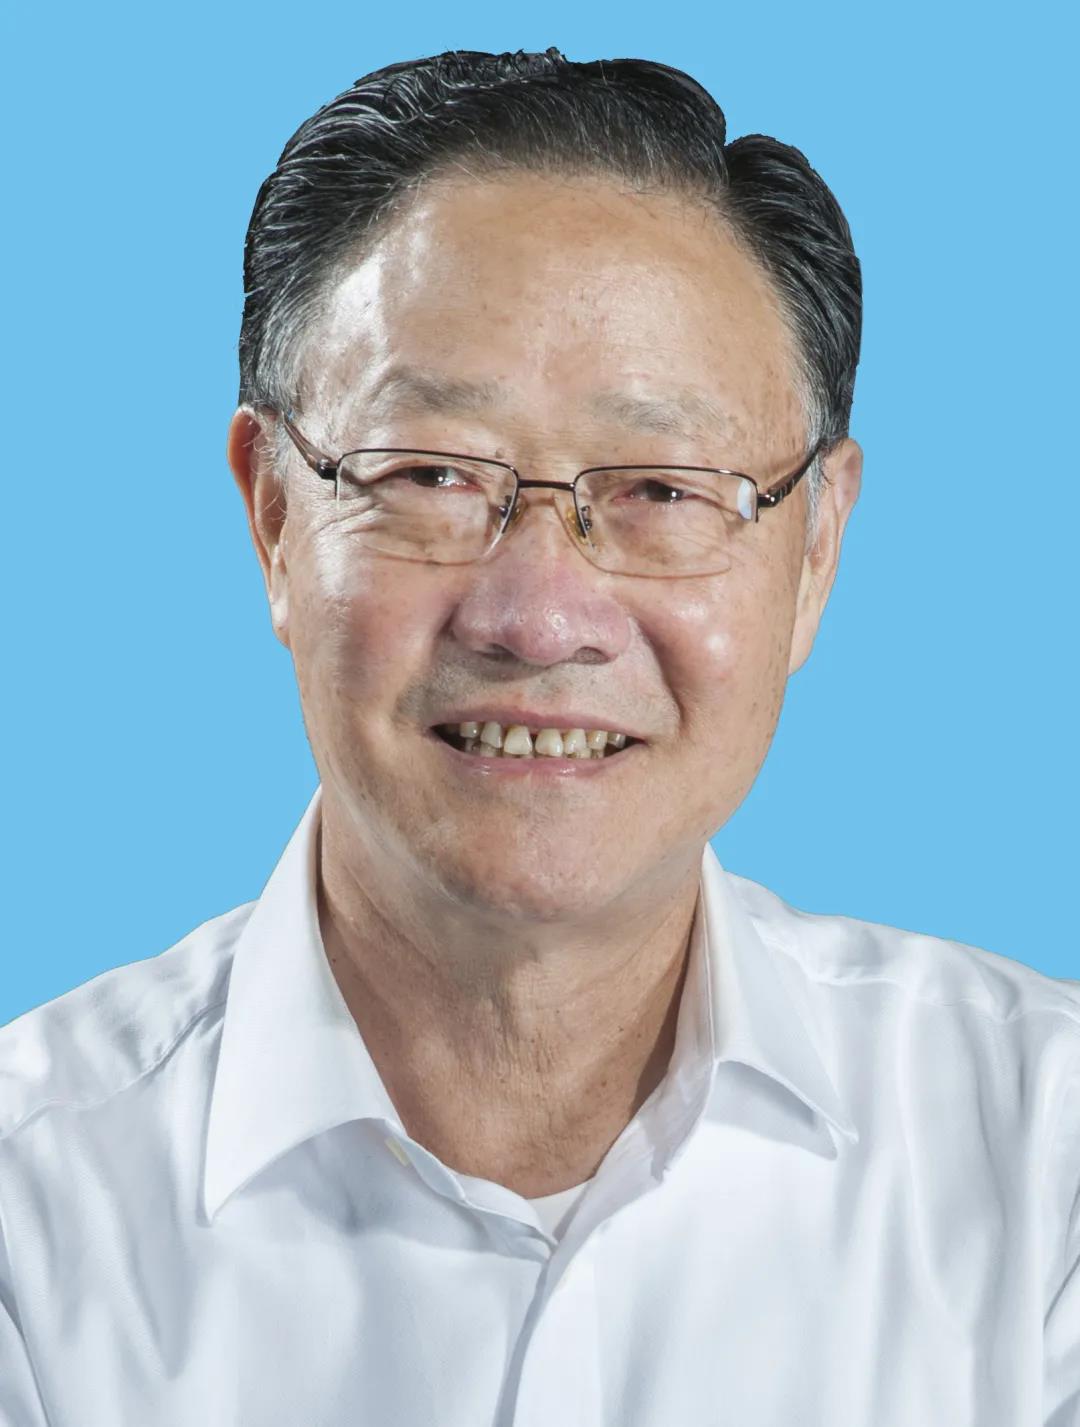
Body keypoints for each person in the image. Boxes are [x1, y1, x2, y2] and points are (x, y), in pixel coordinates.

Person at [1, 47, 1076, 1426]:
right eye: (431, 475)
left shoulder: (1043, 1161)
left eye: (661, 490)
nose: (539, 614)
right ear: (272, 517)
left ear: (816, 551)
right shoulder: (35, 1219)